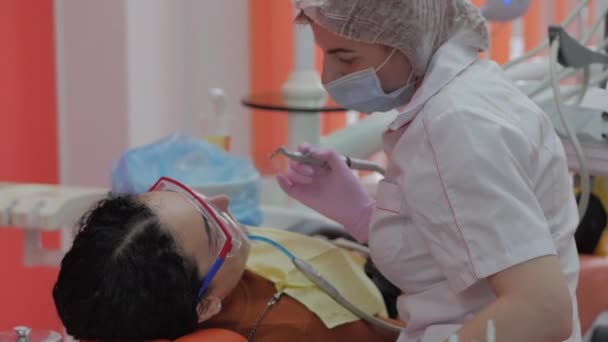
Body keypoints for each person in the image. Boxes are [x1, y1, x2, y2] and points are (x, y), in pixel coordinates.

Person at [277, 1, 581, 341]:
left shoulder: (457, 124)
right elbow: (464, 242)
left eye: (346, 58)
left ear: (407, 39)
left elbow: (541, 309)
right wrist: (364, 217)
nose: (329, 77)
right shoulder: (466, 94)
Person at [52, 177, 399, 342]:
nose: (221, 202)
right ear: (205, 306)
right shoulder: (294, 330)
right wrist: (368, 223)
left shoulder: (189, 280)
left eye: (193, 198)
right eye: (213, 231)